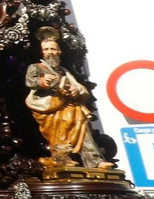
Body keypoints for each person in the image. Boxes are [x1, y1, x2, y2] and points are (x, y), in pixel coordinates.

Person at [24, 27, 109, 168]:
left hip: (68, 105)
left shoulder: (63, 70)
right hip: (48, 106)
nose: (50, 53)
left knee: (82, 124)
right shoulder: (36, 67)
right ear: (42, 52)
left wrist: (76, 90)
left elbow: (78, 86)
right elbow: (30, 81)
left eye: (53, 49)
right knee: (65, 121)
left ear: (59, 51)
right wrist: (43, 81)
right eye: (46, 50)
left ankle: (94, 160)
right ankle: (61, 158)